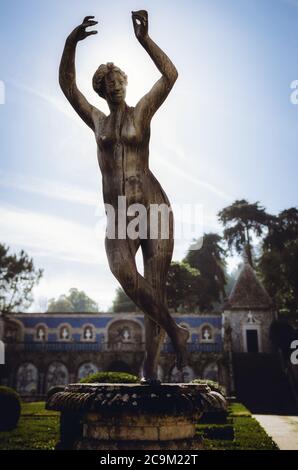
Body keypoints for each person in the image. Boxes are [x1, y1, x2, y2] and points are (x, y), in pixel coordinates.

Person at [59, 10, 188, 383]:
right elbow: (68, 87)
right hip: (120, 214)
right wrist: (71, 44)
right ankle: (176, 331)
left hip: (154, 205)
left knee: (156, 286)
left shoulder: (142, 113)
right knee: (124, 273)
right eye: (107, 82)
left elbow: (170, 76)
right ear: (101, 89)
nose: (114, 85)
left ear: (125, 83)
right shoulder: (98, 121)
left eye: (118, 79)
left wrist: (144, 40)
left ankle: (151, 368)